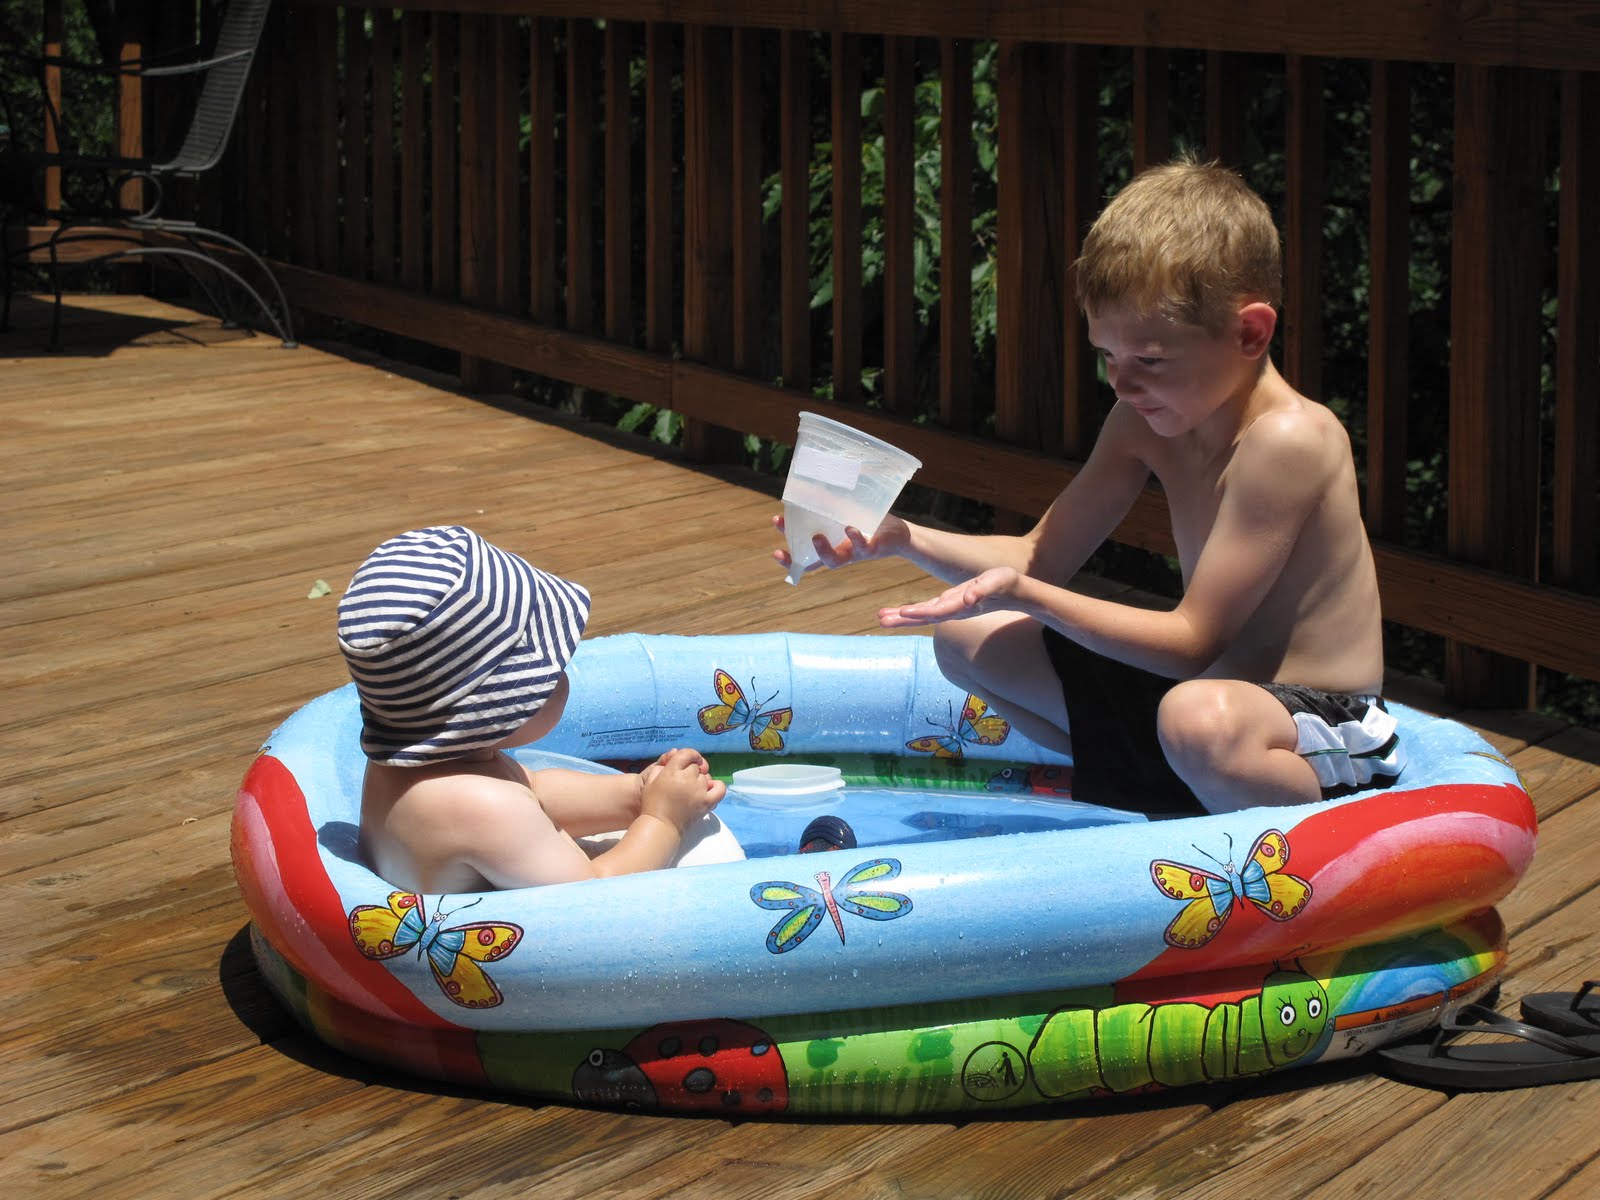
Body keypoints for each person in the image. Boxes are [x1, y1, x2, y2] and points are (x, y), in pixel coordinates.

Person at [775, 156, 1403, 816]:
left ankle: (1290, 832)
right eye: (1108, 354)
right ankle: (1171, 792)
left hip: (1318, 722)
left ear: (1249, 332)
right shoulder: (1141, 421)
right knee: (967, 640)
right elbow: (1038, 553)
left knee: (1197, 720)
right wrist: (900, 536)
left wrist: (1030, 596)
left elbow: (1193, 639)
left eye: (1150, 359)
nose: (1122, 383)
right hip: (1205, 701)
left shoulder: (1289, 439)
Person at [339, 525, 728, 893]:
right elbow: (594, 894)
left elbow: (534, 790)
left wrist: (639, 791)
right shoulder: (481, 807)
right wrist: (665, 819)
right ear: (495, 707)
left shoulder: (423, 767)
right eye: (549, 669)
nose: (565, 670)